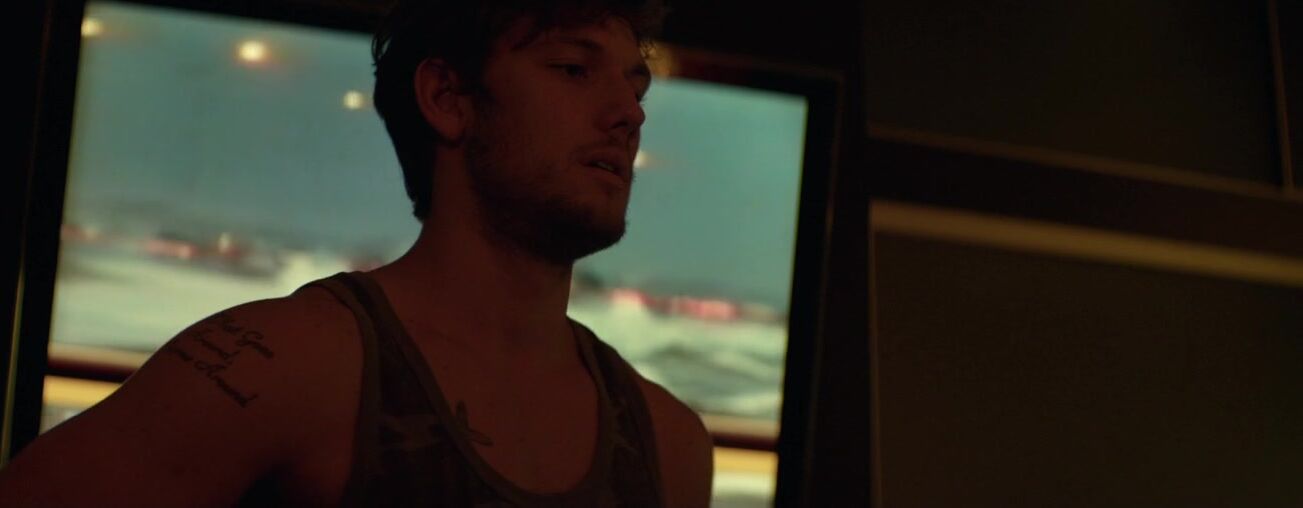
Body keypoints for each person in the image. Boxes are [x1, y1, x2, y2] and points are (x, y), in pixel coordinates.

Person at [0, 0, 714, 505]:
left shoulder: (670, 445)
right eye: (573, 69)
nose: (629, 114)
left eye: (635, 85)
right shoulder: (287, 369)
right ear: (447, 97)